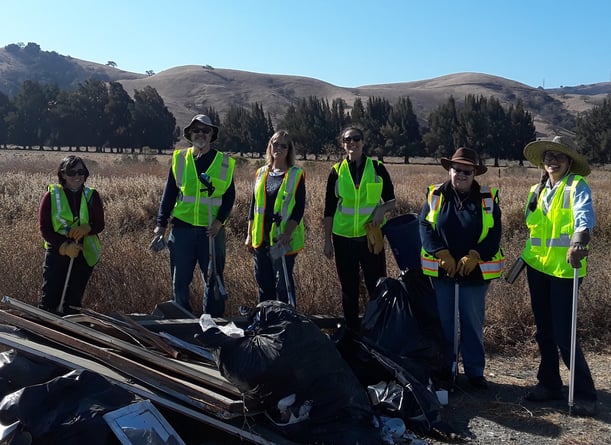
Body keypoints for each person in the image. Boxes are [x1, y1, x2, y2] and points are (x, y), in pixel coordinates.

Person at [521, 136, 597, 417]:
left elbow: (584, 216)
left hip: (566, 270)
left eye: (559, 157)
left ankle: (585, 394)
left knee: (565, 334)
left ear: (569, 163)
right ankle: (549, 383)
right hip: (537, 268)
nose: (552, 161)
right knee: (544, 332)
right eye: (549, 156)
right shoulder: (536, 189)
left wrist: (579, 241)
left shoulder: (577, 186)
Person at [419, 147, 504, 390]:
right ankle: (447, 368)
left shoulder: (487, 198)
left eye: (467, 171)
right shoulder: (435, 194)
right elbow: (424, 227)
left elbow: (494, 233)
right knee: (445, 323)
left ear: (475, 173)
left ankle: (475, 372)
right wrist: (441, 253)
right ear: (450, 170)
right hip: (443, 271)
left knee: (472, 322)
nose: (462, 174)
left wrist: (475, 255)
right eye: (457, 169)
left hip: (474, 273)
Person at [152, 114, 236, 316]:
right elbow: (169, 193)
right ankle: (183, 324)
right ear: (189, 133)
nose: (200, 134)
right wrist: (160, 225)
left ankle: (213, 326)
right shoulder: (180, 159)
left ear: (211, 135)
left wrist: (219, 222)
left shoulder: (224, 162)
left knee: (213, 279)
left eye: (205, 130)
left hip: (211, 231)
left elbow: (229, 197)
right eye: (196, 130)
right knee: (180, 280)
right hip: (182, 230)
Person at [323, 126, 396, 332]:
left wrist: (382, 209)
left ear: (363, 142)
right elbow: (328, 209)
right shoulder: (336, 171)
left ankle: (378, 330)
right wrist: (327, 241)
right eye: (347, 140)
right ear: (342, 144)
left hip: (370, 237)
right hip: (342, 238)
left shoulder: (377, 167)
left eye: (356, 139)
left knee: (376, 286)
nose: (352, 143)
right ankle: (353, 333)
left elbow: (391, 200)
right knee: (349, 289)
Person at [244, 130, 305, 305]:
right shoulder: (261, 173)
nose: (278, 148)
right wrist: (249, 234)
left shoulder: (296, 174)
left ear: (289, 150)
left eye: (283, 145)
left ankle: (287, 322)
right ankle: (266, 322)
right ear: (270, 146)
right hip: (260, 239)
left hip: (282, 239)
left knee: (283, 285)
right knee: (264, 285)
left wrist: (287, 233)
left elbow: (299, 209)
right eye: (275, 144)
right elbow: (253, 206)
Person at [38, 155, 105, 315]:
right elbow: (45, 228)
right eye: (71, 172)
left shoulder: (92, 195)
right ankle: (45, 333)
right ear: (62, 174)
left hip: (84, 253)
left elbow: (100, 224)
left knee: (73, 302)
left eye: (81, 172)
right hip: (57, 253)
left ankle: (69, 334)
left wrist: (87, 228)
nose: (77, 176)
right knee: (50, 299)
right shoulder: (51, 196)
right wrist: (64, 246)